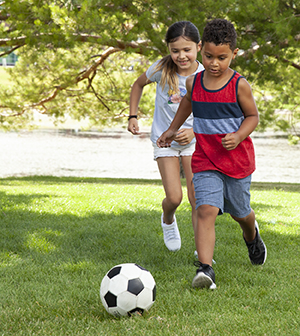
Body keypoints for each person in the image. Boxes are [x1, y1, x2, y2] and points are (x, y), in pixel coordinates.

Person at [157, 18, 267, 288]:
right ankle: (205, 270)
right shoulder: (195, 83)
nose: (214, 63)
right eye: (208, 56)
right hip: (205, 159)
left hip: (236, 162)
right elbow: (187, 105)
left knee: (241, 212)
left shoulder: (239, 85)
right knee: (205, 209)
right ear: (201, 49)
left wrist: (239, 135)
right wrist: (172, 130)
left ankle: (251, 236)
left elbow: (253, 116)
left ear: (234, 54)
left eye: (222, 57)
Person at [128, 21, 204, 252]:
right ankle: (168, 219)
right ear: (168, 49)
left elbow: (212, 112)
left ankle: (202, 251)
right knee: (174, 198)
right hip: (165, 141)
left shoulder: (204, 75)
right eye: (175, 50)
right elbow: (137, 85)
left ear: (198, 47)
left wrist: (194, 132)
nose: (181, 56)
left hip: (194, 142)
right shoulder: (162, 68)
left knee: (196, 199)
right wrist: (132, 116)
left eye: (187, 50)